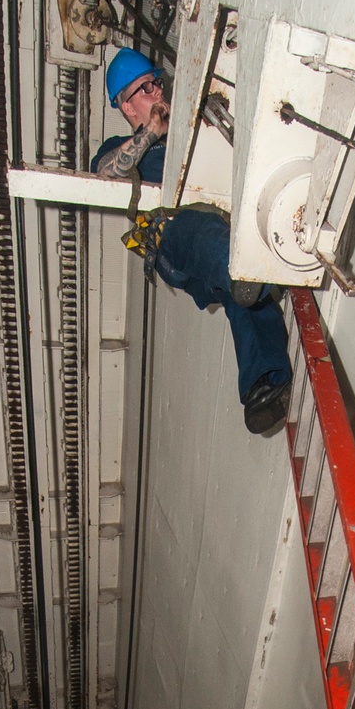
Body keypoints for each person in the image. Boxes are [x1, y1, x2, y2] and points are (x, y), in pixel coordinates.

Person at [92, 48, 292, 436]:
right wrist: (152, 132)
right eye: (144, 89)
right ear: (127, 107)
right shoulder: (121, 148)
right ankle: (250, 269)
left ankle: (262, 385)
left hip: (220, 237)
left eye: (155, 83)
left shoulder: (194, 131)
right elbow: (104, 175)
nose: (157, 91)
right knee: (218, 247)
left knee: (245, 298)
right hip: (178, 233)